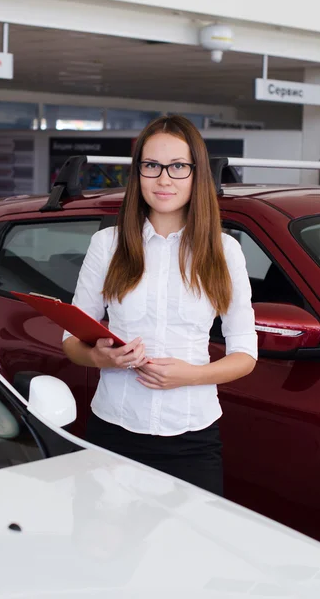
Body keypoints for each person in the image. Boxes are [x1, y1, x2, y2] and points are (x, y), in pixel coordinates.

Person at [62, 115, 257, 496]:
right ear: (138, 174)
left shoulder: (224, 251)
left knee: (188, 555)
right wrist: (103, 357)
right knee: (105, 555)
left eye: (178, 167)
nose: (163, 179)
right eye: (152, 165)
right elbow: (72, 340)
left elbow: (245, 353)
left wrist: (190, 376)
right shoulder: (108, 245)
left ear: (195, 173)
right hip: (114, 432)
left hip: (191, 439)